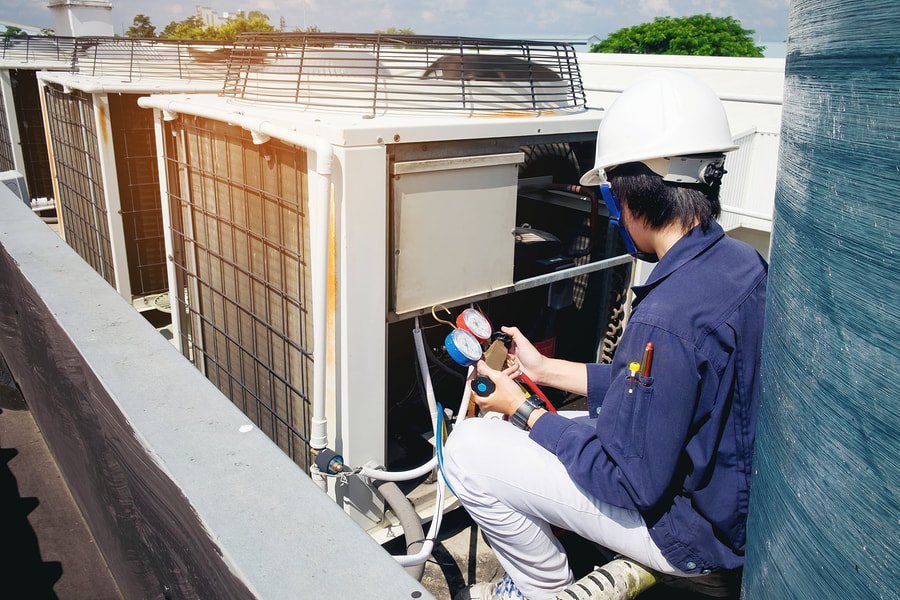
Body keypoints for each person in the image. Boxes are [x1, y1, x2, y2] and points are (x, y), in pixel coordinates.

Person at [443, 71, 768, 600]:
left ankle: (541, 588)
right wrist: (544, 372)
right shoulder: (741, 264)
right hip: (726, 503)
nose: (615, 214)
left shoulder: (666, 317)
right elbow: (660, 395)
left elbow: (625, 477)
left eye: (614, 199)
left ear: (636, 197)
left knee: (468, 449)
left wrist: (524, 412)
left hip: (689, 535)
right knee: (550, 432)